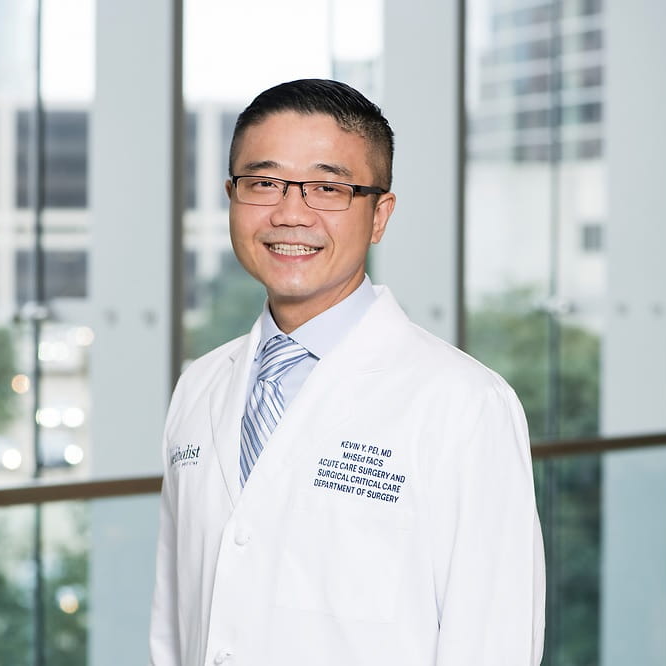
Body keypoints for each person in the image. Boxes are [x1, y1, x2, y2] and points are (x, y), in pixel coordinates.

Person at [149, 78, 545, 666]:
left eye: (327, 188)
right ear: (232, 196)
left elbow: (494, 642)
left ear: (379, 214)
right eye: (263, 183)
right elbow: (172, 626)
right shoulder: (199, 385)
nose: (290, 213)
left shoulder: (464, 403)